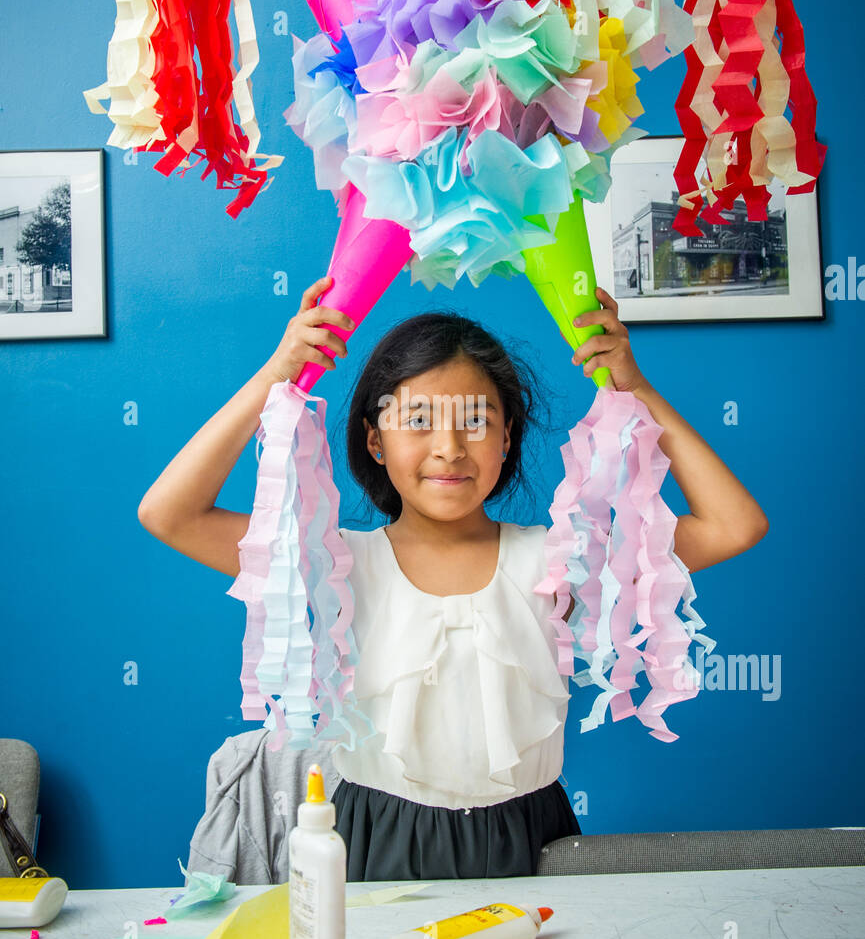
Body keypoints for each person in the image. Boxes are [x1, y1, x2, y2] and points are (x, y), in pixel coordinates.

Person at [138, 274, 769, 881]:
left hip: (535, 840)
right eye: (417, 421)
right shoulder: (336, 563)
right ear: (376, 440)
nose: (448, 447)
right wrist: (279, 374)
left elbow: (734, 525)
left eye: (475, 421)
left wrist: (637, 390)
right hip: (371, 840)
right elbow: (170, 513)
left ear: (506, 438)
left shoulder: (559, 558)